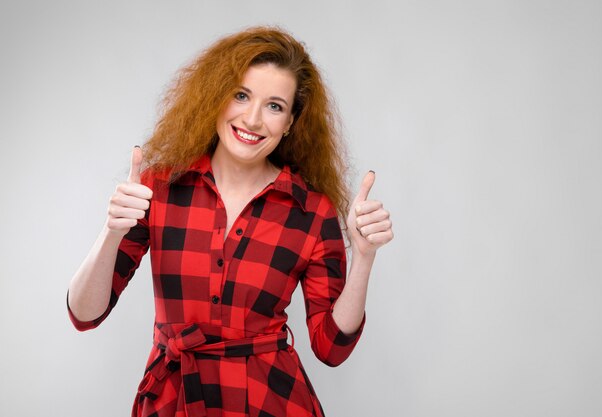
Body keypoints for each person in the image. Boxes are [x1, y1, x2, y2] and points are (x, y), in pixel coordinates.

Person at [67, 26, 393, 417]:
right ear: (216, 97)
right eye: (241, 95)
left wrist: (364, 257)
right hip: (174, 400)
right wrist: (111, 232)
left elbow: (331, 348)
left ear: (290, 122)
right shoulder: (160, 187)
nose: (253, 119)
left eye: (275, 106)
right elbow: (84, 315)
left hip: (269, 402)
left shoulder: (311, 211)